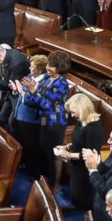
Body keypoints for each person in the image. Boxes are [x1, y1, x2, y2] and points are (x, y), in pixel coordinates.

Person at [18, 51, 71, 188]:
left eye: (52, 66)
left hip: (55, 123)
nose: (48, 67)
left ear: (60, 68)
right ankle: (46, 179)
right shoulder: (48, 78)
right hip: (43, 121)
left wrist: (33, 91)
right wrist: (31, 91)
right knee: (44, 150)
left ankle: (55, 184)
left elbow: (46, 105)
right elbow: (36, 98)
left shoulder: (62, 83)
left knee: (53, 154)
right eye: (48, 64)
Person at [56, 93, 104, 211]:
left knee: (84, 200)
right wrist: (66, 147)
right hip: (76, 167)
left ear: (82, 109)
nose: (72, 115)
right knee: (76, 193)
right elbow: (78, 142)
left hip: (86, 170)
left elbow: (89, 155)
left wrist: (68, 155)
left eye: (73, 112)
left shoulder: (94, 128)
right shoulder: (81, 121)